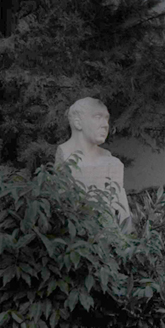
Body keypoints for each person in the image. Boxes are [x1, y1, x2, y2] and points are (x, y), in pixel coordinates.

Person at [56, 97, 132, 230]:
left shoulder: (111, 162)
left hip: (112, 237)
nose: (105, 125)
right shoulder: (65, 156)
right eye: (98, 117)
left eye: (106, 119)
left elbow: (123, 218)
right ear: (78, 123)